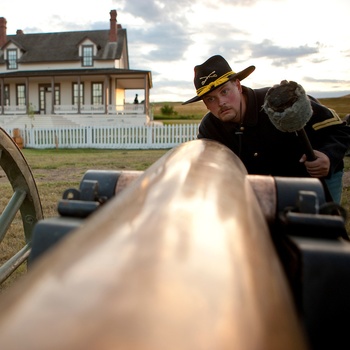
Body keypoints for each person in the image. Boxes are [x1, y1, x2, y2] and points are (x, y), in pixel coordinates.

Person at [183, 55, 350, 204]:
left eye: (225, 91)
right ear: (205, 104)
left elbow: (339, 130)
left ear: (238, 86)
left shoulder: (278, 100)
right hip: (266, 189)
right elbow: (206, 164)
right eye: (211, 98)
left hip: (316, 178)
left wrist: (329, 156)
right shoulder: (210, 128)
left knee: (324, 231)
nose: (221, 102)